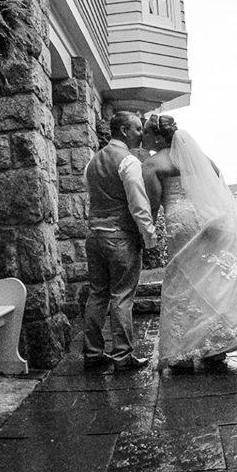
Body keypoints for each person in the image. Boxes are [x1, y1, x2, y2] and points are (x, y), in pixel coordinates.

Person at [142, 114, 237, 370]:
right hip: (207, 220)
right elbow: (216, 178)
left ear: (158, 137)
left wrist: (146, 233)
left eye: (146, 133)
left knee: (181, 279)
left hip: (180, 222)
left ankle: (183, 350)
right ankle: (214, 347)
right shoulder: (199, 159)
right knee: (210, 279)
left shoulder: (152, 165)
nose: (143, 136)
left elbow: (152, 205)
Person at [83, 110, 157, 371]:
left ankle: (92, 354)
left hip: (94, 237)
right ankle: (122, 356)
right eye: (138, 128)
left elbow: (92, 196)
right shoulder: (129, 162)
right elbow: (139, 205)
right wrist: (149, 237)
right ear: (124, 131)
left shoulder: (92, 162)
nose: (141, 133)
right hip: (120, 238)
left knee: (97, 294)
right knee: (122, 297)